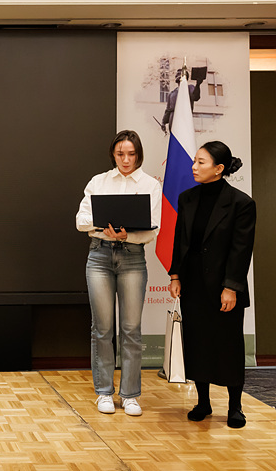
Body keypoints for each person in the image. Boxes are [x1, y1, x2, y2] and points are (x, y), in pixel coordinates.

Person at [168, 141, 255, 429]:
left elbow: (241, 249)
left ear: (218, 169)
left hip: (223, 287)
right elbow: (180, 239)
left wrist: (231, 287)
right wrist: (175, 275)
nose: (194, 167)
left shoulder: (241, 203)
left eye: (201, 162)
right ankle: (203, 402)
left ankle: (235, 407)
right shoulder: (187, 198)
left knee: (229, 345)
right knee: (198, 344)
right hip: (193, 284)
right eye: (194, 161)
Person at [75, 130, 162, 416]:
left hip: (132, 257)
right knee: (102, 329)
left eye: (131, 154)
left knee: (131, 329)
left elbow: (153, 228)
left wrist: (127, 235)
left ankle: (130, 395)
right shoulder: (99, 181)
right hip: (99, 254)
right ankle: (103, 392)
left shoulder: (150, 184)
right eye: (120, 154)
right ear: (113, 154)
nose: (126, 159)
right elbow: (81, 221)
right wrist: (103, 225)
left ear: (139, 155)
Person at [160, 68, 203, 134]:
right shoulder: (171, 93)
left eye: (180, 73)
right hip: (173, 119)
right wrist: (163, 122)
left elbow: (196, 97)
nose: (177, 75)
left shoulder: (190, 88)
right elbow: (168, 110)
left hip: (184, 116)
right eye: (177, 74)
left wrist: (198, 84)